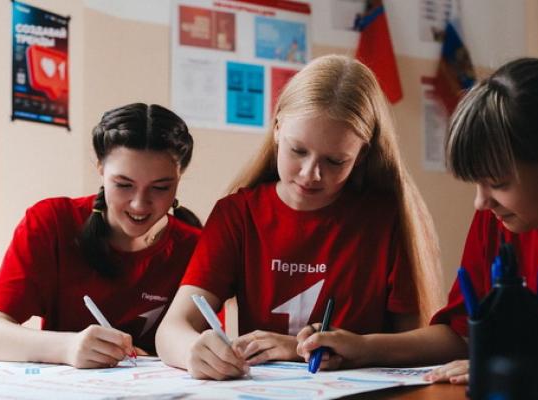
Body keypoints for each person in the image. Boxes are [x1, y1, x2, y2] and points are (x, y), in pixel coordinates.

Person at [296, 57, 538, 388]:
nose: (481, 202)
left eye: (498, 183)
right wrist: (364, 348)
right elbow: (463, 333)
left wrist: (530, 356)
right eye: (476, 183)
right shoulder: (500, 218)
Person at [156, 54, 444, 380]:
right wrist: (193, 350)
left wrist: (304, 348)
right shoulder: (238, 214)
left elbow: (418, 344)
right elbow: (172, 330)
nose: (310, 174)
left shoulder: (387, 219)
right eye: (298, 151)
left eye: (335, 161)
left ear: (361, 154)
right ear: (277, 129)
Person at [0, 103, 202, 369]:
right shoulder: (52, 222)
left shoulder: (197, 247)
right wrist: (68, 347)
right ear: (100, 168)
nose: (139, 204)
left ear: (179, 176)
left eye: (160, 187)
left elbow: (200, 344)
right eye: (123, 184)